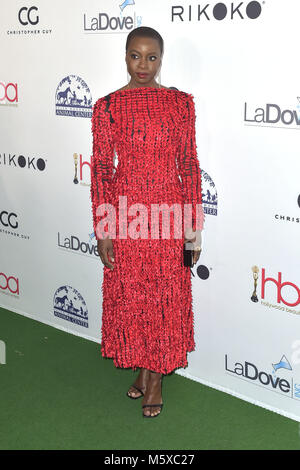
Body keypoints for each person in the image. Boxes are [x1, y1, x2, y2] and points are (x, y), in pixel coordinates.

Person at [90, 26, 204, 418]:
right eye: (136, 55)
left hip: (167, 215)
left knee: (163, 297)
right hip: (126, 215)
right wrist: (103, 228)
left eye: (152, 56)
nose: (144, 64)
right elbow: (103, 170)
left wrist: (193, 225)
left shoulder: (180, 104)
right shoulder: (106, 107)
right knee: (135, 296)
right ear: (124, 56)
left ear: (161, 59)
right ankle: (143, 367)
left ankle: (155, 378)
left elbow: (188, 164)